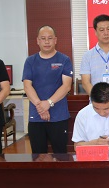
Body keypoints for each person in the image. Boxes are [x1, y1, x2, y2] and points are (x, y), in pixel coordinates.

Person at [22, 25, 73, 153]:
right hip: (36, 116)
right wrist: (40, 106)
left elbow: (66, 86)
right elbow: (27, 86)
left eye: (50, 38)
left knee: (60, 154)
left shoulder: (64, 60)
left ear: (55, 40)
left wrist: (49, 103)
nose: (46, 41)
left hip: (58, 116)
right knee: (38, 156)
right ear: (37, 41)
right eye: (43, 38)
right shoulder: (30, 61)